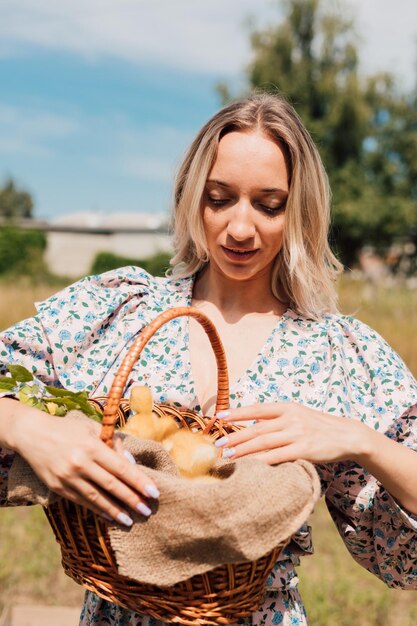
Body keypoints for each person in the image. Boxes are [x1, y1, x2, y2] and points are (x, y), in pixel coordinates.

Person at [1, 93, 417, 626]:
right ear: (192, 196)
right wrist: (23, 425)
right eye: (220, 198)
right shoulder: (118, 310)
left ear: (300, 211)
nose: (240, 229)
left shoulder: (339, 353)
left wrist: (362, 440)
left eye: (269, 205)